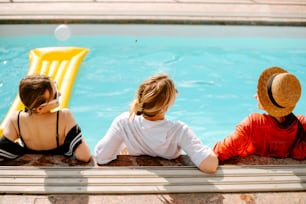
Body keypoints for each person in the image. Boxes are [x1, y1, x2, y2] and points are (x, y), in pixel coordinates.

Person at [95, 74, 218, 173]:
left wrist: (121, 147)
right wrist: (210, 150)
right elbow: (209, 166)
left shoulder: (125, 122)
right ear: (164, 107)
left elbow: (101, 157)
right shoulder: (178, 131)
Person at [213, 66, 306, 162]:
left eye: (261, 93)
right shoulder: (301, 125)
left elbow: (219, 152)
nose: (255, 96)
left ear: (267, 101)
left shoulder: (253, 124)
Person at [0, 74, 91, 162]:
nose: (59, 94)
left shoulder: (16, 120)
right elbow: (84, 156)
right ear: (40, 108)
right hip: (60, 172)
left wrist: (16, 149)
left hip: (31, 173)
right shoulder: (64, 117)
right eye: (55, 95)